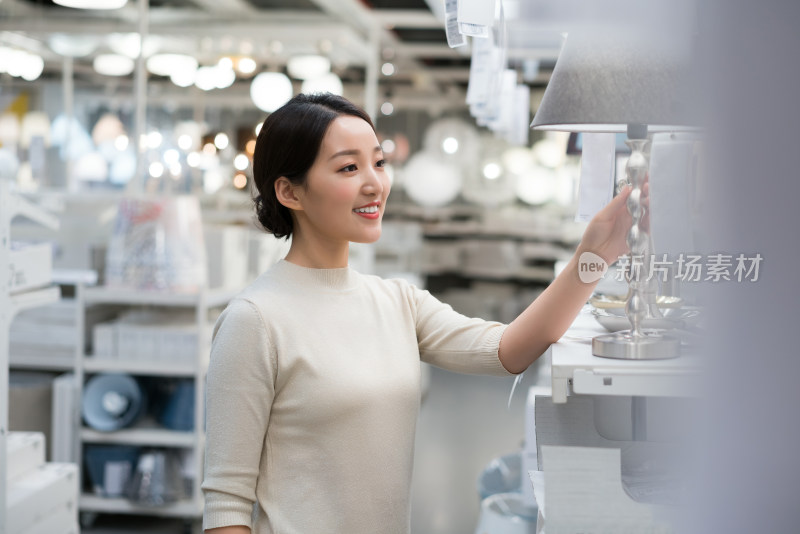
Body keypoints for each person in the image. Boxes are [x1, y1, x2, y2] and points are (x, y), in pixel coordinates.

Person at [202, 93, 634, 534]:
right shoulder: (254, 320)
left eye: (379, 163)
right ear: (289, 191)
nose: (375, 184)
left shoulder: (397, 302)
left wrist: (593, 255)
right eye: (349, 167)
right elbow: (227, 505)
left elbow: (509, 351)